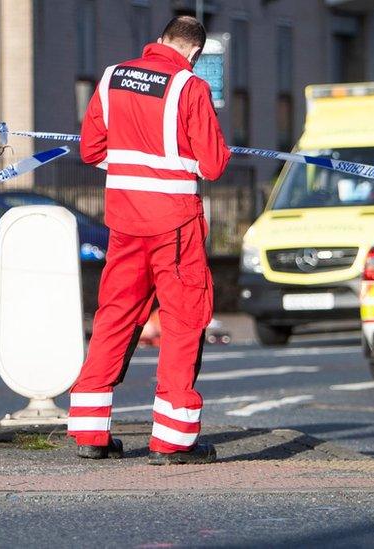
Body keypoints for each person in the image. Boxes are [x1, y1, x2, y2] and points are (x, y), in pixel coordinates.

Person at [68, 16, 231, 463]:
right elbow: (213, 165)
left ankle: (89, 433)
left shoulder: (112, 77)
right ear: (194, 53)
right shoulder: (190, 87)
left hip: (124, 221)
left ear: (159, 41)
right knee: (182, 322)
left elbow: (91, 150)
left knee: (114, 316)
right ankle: (173, 441)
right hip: (174, 227)